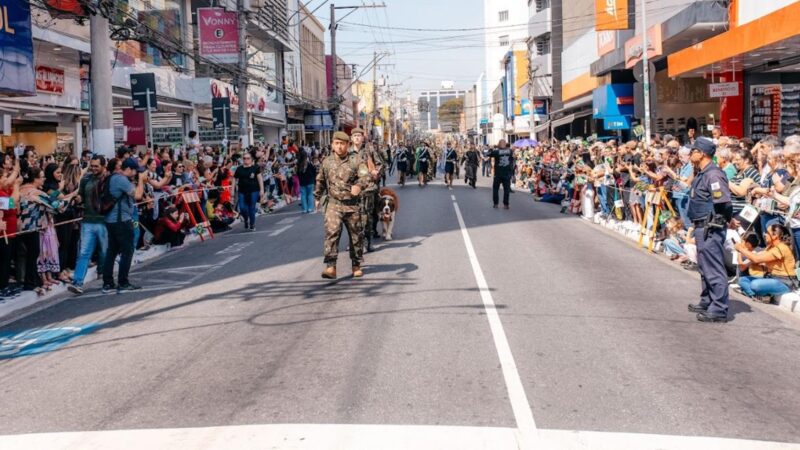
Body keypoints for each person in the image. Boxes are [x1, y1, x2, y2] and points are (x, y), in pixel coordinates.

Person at [686, 137, 733, 323]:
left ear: (702, 153)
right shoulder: (702, 173)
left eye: (693, 151)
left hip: (710, 228)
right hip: (701, 226)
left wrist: (722, 221)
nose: (690, 155)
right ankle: (707, 300)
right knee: (705, 268)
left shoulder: (713, 175)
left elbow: (723, 203)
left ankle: (719, 308)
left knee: (713, 268)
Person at [314, 131, 366, 279]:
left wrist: (359, 185)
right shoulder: (327, 161)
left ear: (347, 145)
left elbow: (365, 176)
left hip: (352, 205)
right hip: (334, 205)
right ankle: (331, 267)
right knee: (332, 234)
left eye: (342, 144)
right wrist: (317, 196)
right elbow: (321, 180)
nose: (339, 146)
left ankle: (356, 264)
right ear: (332, 145)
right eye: (336, 143)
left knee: (356, 236)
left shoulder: (356, 160)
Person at [103, 158, 147, 294]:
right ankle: (123, 282)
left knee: (112, 251)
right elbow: (138, 195)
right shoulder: (120, 180)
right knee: (127, 251)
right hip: (121, 220)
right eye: (135, 171)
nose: (135, 174)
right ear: (128, 169)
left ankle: (108, 282)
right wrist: (141, 180)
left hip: (112, 220)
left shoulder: (112, 178)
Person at [68, 155, 108, 295]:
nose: (93, 168)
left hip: (104, 222)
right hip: (88, 221)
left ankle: (105, 276)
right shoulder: (85, 179)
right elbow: (81, 196)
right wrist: (76, 199)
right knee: (84, 253)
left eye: (96, 166)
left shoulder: (109, 180)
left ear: (104, 166)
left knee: (105, 251)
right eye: (92, 165)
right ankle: (77, 282)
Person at [734, 223, 797, 304]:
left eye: (767, 232)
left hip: (784, 282)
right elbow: (745, 265)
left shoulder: (781, 248)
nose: (764, 234)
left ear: (775, 236)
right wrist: (740, 250)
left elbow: (756, 259)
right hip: (770, 278)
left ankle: (751, 292)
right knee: (743, 280)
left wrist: (740, 249)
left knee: (755, 285)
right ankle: (759, 296)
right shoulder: (770, 247)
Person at [233, 151, 264, 231]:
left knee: (252, 207)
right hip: (242, 191)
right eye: (244, 158)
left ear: (251, 159)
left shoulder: (255, 168)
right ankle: (246, 219)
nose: (246, 160)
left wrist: (262, 190)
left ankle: (252, 224)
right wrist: (232, 190)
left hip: (254, 190)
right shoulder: (239, 169)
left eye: (248, 158)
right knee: (242, 208)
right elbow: (234, 179)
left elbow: (260, 179)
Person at [489, 139, 515, 209]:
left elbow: (489, 154)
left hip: (498, 174)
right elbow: (512, 159)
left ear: (499, 144)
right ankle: (506, 204)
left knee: (495, 189)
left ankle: (496, 204)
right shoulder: (510, 151)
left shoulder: (496, 152)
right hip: (507, 174)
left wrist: (491, 148)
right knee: (506, 190)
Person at [297, 149, 317, 214]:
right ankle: (310, 208)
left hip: (302, 182)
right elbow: (314, 171)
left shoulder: (298, 164)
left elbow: (297, 173)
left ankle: (304, 209)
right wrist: (315, 180)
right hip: (310, 181)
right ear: (306, 156)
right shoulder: (309, 163)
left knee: (303, 195)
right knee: (310, 194)